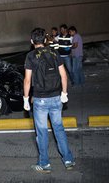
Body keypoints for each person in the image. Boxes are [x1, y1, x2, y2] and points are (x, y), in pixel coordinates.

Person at [23, 28, 75, 173]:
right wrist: (64, 93)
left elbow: (27, 80)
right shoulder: (54, 53)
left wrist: (26, 99)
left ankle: (45, 163)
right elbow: (63, 75)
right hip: (56, 98)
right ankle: (68, 159)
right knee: (59, 129)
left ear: (32, 41)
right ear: (45, 40)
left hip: (40, 99)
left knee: (42, 132)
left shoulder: (31, 56)